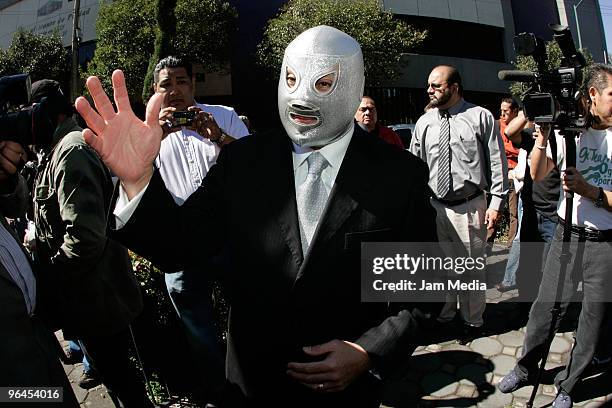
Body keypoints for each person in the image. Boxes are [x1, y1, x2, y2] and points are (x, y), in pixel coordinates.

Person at [75, 25, 438, 407]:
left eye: (324, 83)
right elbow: (179, 244)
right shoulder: (242, 162)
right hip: (253, 386)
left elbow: (422, 296)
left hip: (348, 394)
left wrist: (367, 352)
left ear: (354, 83)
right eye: (293, 79)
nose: (301, 97)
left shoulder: (401, 175)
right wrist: (138, 180)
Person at [30, 80, 152, 408]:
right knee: (117, 381)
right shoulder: (54, 151)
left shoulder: (70, 150)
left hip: (97, 299)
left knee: (123, 385)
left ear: (47, 115)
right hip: (86, 298)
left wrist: (45, 277)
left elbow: (85, 237)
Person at [498, 63, 612, 408]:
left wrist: (590, 190)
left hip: (604, 243)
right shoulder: (570, 131)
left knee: (593, 320)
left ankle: (568, 386)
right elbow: (537, 171)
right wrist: (544, 136)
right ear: (592, 94)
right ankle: (525, 366)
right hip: (566, 235)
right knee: (545, 309)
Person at [153, 55, 249, 403]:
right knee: (197, 327)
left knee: (248, 312)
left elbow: (255, 167)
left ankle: (251, 375)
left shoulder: (224, 116)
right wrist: (154, 138)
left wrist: (219, 136)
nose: (175, 90)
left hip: (229, 236)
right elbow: (129, 182)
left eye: (181, 81)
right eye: (166, 83)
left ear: (193, 85)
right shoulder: (148, 131)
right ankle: (218, 390)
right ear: (155, 90)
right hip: (181, 245)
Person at [410, 65, 508, 343]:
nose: (430, 91)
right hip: (435, 206)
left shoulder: (480, 117)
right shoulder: (424, 123)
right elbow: (415, 166)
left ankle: (473, 321)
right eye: (429, 85)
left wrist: (496, 203)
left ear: (454, 88)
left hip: (470, 206)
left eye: (436, 86)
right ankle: (444, 316)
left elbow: (497, 161)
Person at [0, 140, 79, 407]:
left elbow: (16, 206)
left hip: (36, 335)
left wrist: (8, 179)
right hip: (9, 366)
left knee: (58, 398)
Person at [488, 98, 521, 250]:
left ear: (515, 111)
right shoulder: (495, 125)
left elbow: (521, 150)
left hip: (514, 174)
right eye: (501, 111)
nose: (502, 114)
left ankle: (511, 247)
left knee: (514, 213)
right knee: (494, 210)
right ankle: (487, 244)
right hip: (499, 174)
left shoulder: (520, 128)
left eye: (506, 111)